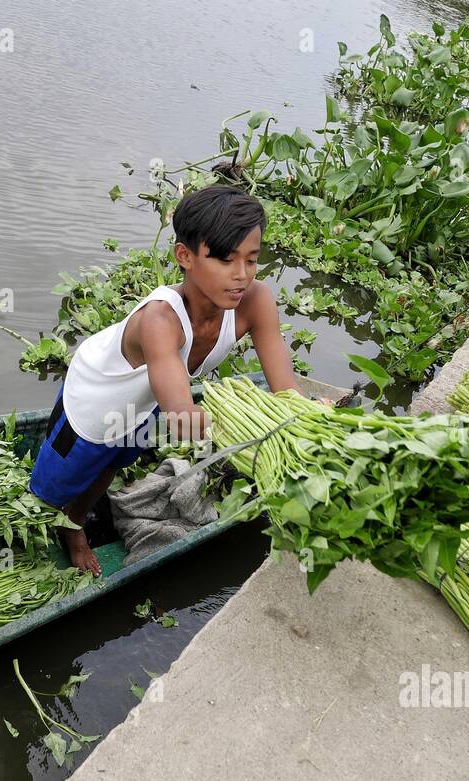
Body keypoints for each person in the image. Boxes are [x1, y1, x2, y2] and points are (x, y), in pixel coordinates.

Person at [29, 184, 300, 574]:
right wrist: (242, 422)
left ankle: (77, 521)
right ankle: (66, 525)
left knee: (113, 462)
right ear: (185, 256)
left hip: (146, 396)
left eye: (251, 260)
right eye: (225, 259)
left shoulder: (255, 301)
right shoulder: (160, 319)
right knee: (56, 486)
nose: (241, 275)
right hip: (95, 396)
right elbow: (182, 417)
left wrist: (306, 415)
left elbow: (286, 391)